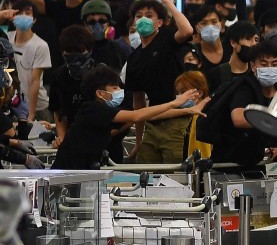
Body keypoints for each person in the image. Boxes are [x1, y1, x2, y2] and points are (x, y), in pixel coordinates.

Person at [53, 64, 200, 170]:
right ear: (100, 93)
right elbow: (137, 115)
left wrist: (188, 110)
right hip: (66, 172)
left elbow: (147, 114)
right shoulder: (93, 109)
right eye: (115, 88)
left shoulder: (100, 113)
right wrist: (175, 103)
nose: (120, 91)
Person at [123, 0, 196, 163]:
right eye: (139, 16)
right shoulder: (133, 59)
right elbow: (138, 103)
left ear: (159, 23)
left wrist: (168, 2)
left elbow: (187, 30)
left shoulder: (166, 37)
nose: (143, 19)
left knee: (175, 171)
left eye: (149, 16)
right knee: (146, 170)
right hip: (153, 121)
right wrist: (139, 140)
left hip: (178, 119)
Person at [214, 39, 277, 169]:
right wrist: (275, 114)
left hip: (257, 162)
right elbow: (238, 119)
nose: (269, 68)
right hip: (229, 163)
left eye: (274, 64)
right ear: (253, 66)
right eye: (264, 64)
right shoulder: (245, 87)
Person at [2, 0, 51, 122]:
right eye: (19, 13)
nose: (23, 16)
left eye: (28, 13)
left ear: (34, 19)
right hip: (12, 103)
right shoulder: (6, 39)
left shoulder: (40, 45)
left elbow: (35, 81)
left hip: (37, 107)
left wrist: (31, 114)